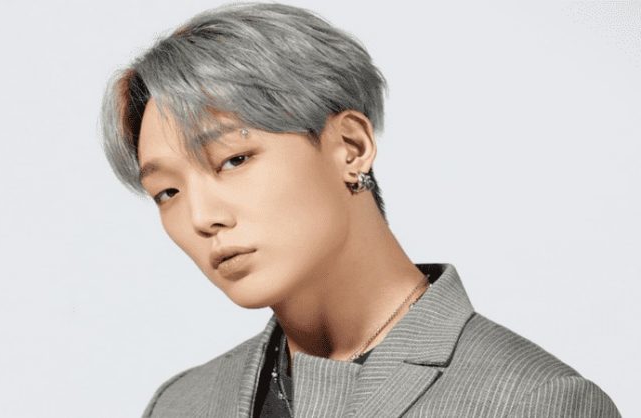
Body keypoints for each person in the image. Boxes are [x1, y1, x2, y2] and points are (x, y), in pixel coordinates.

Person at [99, 3, 621, 417]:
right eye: (167, 192)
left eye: (233, 159)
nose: (200, 217)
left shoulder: (535, 402)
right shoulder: (183, 404)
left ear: (351, 147)